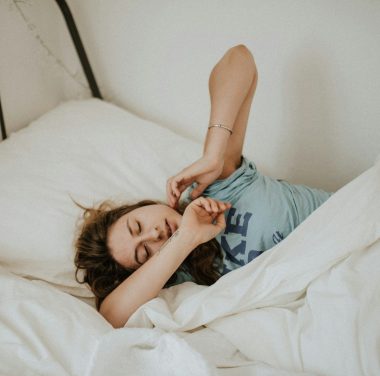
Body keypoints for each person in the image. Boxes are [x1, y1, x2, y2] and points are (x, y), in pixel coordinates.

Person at [74, 45, 333, 328]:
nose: (154, 233)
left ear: (143, 207)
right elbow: (111, 316)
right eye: (145, 252)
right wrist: (185, 238)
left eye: (137, 226)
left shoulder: (215, 187)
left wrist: (213, 154)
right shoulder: (186, 279)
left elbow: (240, 59)